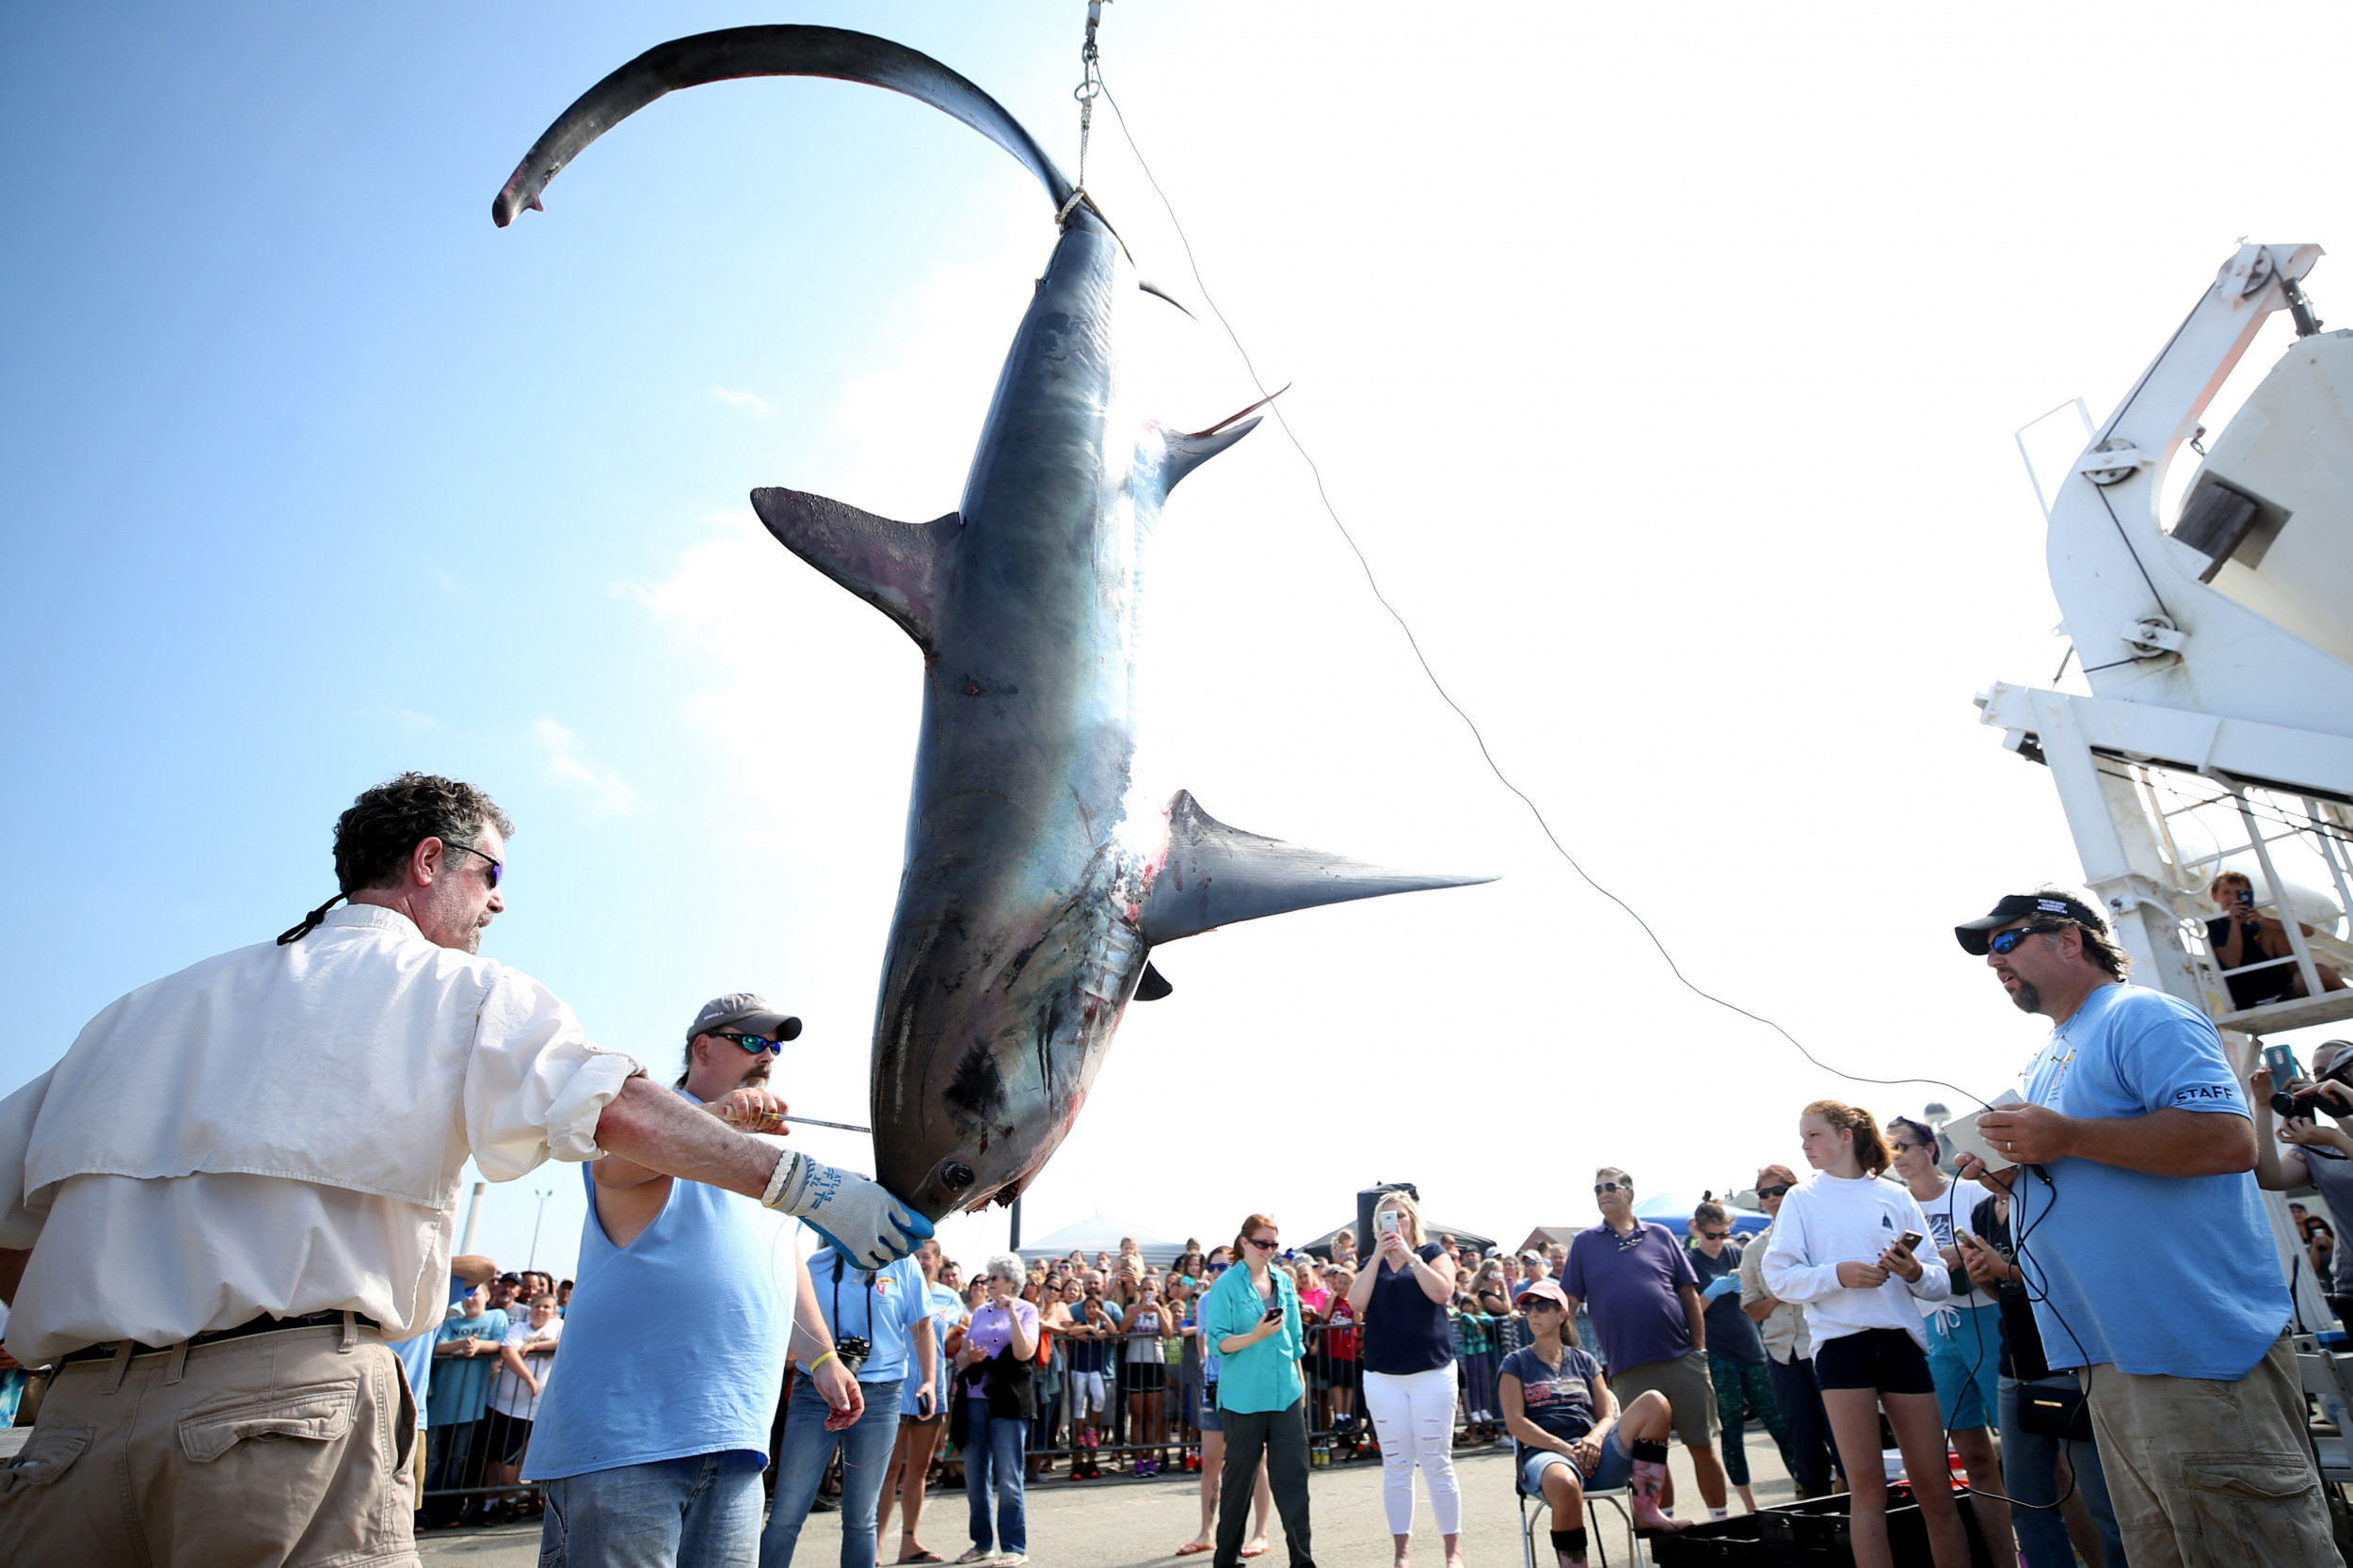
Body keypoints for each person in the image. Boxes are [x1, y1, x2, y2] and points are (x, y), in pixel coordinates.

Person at [0, 774, 924, 1567]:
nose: (498, 903)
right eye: (492, 875)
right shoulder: (454, 988)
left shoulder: (135, 1011)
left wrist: (100, 1343)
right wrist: (814, 1186)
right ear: (429, 861)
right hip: (281, 1417)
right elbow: (610, 1106)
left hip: (74, 1430)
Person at [1953, 888, 2336, 1566]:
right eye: (1988, 951)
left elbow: (2227, 1142)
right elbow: (2097, 1161)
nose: (1993, 961)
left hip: (2193, 1351)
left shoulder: (2143, 1016)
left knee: (2257, 1548)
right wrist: (2019, 1175)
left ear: (2070, 940)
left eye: (2006, 941)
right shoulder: (2052, 1054)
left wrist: (2066, 1135)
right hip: (2113, 1357)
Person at [526, 992, 915, 1567]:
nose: (769, 1057)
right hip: (624, 1445)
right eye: (753, 1041)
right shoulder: (634, 1126)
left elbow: (779, 1267)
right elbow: (611, 1165)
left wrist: (823, 1357)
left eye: (775, 1047)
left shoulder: (768, 1168)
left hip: (736, 1443)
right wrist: (714, 1120)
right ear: (702, 1048)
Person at [1765, 1100, 1967, 1568]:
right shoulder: (1801, 1198)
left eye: (1812, 1134)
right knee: (1867, 1490)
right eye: (1803, 1137)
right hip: (1840, 1347)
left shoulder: (1896, 1196)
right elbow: (1781, 1279)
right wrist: (1839, 1274)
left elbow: (1936, 1281)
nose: (1804, 1145)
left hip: (1902, 1344)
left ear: (1845, 1136)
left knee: (1936, 1487)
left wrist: (1914, 1269)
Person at [1957, 1190, 2128, 1568]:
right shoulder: (1984, 1211)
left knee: (2104, 1503)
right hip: (2015, 1366)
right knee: (2027, 1503)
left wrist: (2004, 1270)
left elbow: (2070, 1275)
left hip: (2068, 1363)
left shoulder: (2047, 1195)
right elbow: (2004, 1294)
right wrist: (1986, 1276)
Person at [1560, 1169, 1731, 1520]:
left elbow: (1688, 1295)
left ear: (1630, 1192)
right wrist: (1565, 1355)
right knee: (1651, 1454)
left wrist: (1698, 1351)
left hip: (1682, 1359)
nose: (1603, 1193)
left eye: (1610, 1186)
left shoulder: (1661, 1235)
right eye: (1597, 1189)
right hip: (1628, 1368)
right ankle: (1664, 1528)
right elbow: (1569, 1304)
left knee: (1703, 1446)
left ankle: (1721, 1522)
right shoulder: (1585, 1243)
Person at [761, 1240, 939, 1568]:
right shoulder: (816, 1264)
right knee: (786, 1512)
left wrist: (929, 1380)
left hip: (881, 1393)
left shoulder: (903, 1264)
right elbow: (791, 1321)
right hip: (817, 1390)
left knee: (862, 1517)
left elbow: (922, 1324)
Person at [1885, 1116, 2010, 1559]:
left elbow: (2005, 1246)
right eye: (1889, 1149)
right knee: (1975, 1460)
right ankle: (2002, 1557)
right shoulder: (1893, 1204)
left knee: (2026, 1456)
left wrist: (1966, 1255)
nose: (1897, 1156)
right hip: (1935, 1334)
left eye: (1903, 1146)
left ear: (1930, 1148)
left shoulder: (1970, 1190)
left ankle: (2048, 1549)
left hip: (1990, 1319)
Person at [1499, 1282, 1685, 1567]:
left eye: (1542, 1306)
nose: (1533, 1313)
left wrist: (1595, 1439)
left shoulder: (1584, 1361)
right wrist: (1564, 1448)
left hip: (1594, 1451)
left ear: (1562, 1315)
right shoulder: (1516, 1363)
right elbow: (1515, 1424)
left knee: (1655, 1403)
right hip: (1546, 1454)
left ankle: (1646, 1511)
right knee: (1564, 1483)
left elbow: (1607, 1415)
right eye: (1528, 1307)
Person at [1348, 1191, 1463, 1568]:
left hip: (1432, 1372)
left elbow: (1443, 1293)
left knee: (1436, 1461)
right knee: (1397, 1464)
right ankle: (1402, 1554)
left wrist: (1410, 1257)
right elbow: (1357, 1303)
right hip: (1384, 1376)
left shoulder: (1431, 1254)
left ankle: (1452, 1552)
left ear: (1413, 1220)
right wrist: (1380, 1255)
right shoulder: (1370, 1261)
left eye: (1401, 1216)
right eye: (1387, 1217)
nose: (1395, 1224)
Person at [1205, 1213, 1315, 1568]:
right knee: (1238, 1485)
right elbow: (1217, 1343)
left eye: (1274, 1244)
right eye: (1263, 1243)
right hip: (1243, 1399)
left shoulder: (1284, 1282)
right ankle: (1225, 1560)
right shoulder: (1225, 1286)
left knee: (1294, 1482)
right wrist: (1255, 1335)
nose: (1269, 1250)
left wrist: (1301, 1391)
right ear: (1244, 1244)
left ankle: (1302, 1560)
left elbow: (1296, 1342)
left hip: (1285, 1394)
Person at [1735, 1164, 1840, 1498]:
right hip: (1783, 1353)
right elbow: (1752, 1309)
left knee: (1842, 1435)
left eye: (1779, 1190)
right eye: (1764, 1194)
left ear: (1795, 1189)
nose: (1771, 1199)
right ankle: (1816, 1508)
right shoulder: (1754, 1249)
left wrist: (1788, 1290)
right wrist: (1784, 1292)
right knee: (1801, 1435)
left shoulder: (1819, 1231)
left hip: (1824, 1345)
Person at [1685, 1200, 1787, 1513]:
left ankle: (1806, 1488)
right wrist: (1710, 1293)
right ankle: (1751, 1508)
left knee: (1781, 1425)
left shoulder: (1737, 1254)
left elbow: (1758, 1294)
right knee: (1732, 1432)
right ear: (1697, 1231)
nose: (1718, 1241)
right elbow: (1688, 1315)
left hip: (1752, 1348)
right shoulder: (1689, 1262)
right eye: (1712, 1236)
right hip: (1718, 1356)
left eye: (1723, 1234)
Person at [2252, 1040, 2353, 1335]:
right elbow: (2270, 1178)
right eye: (2320, 1072)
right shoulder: (2320, 1141)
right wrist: (2262, 1105)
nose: (2330, 1079)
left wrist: (2336, 1126)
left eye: (2342, 1068)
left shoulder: (2330, 1139)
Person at [879, 1240, 964, 1565]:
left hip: (932, 1389)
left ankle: (909, 1542)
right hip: (895, 1386)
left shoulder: (949, 1296)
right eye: (915, 1255)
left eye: (926, 1257)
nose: (920, 1261)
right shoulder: (893, 1285)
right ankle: (876, 1545)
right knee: (889, 1470)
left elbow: (947, 1334)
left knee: (919, 1469)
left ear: (939, 1261)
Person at [952, 1253, 1038, 1566]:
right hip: (975, 1397)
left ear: (1011, 1281)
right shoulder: (978, 1313)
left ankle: (1015, 1547)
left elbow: (1023, 1351)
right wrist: (969, 1359)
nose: (988, 1283)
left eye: (994, 1278)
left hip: (1009, 1399)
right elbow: (961, 1358)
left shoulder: (1029, 1310)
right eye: (987, 1277)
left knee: (1008, 1475)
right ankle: (981, 1542)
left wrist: (1013, 1314)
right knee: (975, 1475)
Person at [426, 1282, 514, 1523]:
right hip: (439, 1405)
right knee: (432, 1458)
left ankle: (449, 1509)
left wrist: (477, 1346)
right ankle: (425, 1510)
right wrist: (461, 1345)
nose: (470, 1299)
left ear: (487, 1296)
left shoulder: (497, 1317)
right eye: (467, 1295)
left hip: (471, 1406)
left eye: (475, 1294)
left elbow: (499, 1344)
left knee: (459, 1458)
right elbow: (438, 1346)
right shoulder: (452, 1323)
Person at [2206, 870, 2345, 1008]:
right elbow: (2231, 963)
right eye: (2226, 892)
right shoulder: (2214, 925)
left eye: (2240, 893)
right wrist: (2235, 923)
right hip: (2253, 994)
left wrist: (2263, 920)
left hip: (2281, 982)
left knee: (2322, 971)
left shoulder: (2257, 924)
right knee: (2321, 974)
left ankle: (2312, 980)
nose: (2233, 898)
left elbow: (2308, 931)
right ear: (2215, 896)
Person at [483, 1293, 565, 1521]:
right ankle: (491, 1502)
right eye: (537, 1306)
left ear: (554, 1311)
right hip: (504, 1405)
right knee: (498, 1458)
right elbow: (508, 1351)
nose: (541, 1310)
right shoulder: (519, 1329)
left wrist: (538, 1346)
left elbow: (568, 1341)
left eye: (547, 1306)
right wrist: (529, 1379)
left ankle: (508, 1501)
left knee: (515, 1460)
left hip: (534, 1409)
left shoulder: (559, 1326)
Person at [1124, 1278, 1175, 1476]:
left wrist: (1159, 1310)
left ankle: (1151, 1459)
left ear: (1157, 1290)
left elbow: (1169, 1333)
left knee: (1152, 1414)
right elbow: (1123, 1329)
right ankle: (1138, 1460)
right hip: (1134, 1362)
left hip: (1154, 1362)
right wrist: (1139, 1309)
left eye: (1151, 1289)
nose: (1147, 1293)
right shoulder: (1132, 1309)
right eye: (1144, 1290)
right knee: (1137, 1414)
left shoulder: (1164, 1310)